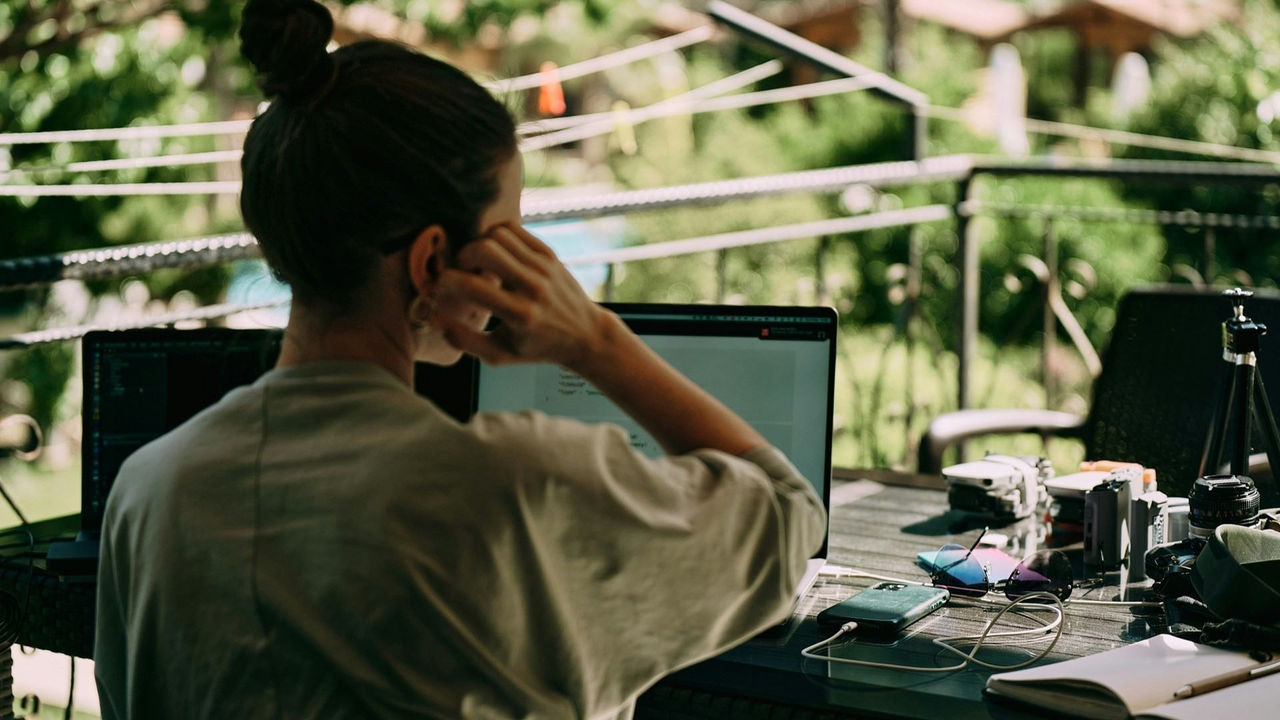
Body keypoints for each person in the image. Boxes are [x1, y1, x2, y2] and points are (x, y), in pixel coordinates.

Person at [93, 1, 826, 718]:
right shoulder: (515, 493)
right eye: (510, 235)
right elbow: (789, 521)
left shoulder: (151, 491)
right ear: (433, 261)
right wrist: (593, 340)